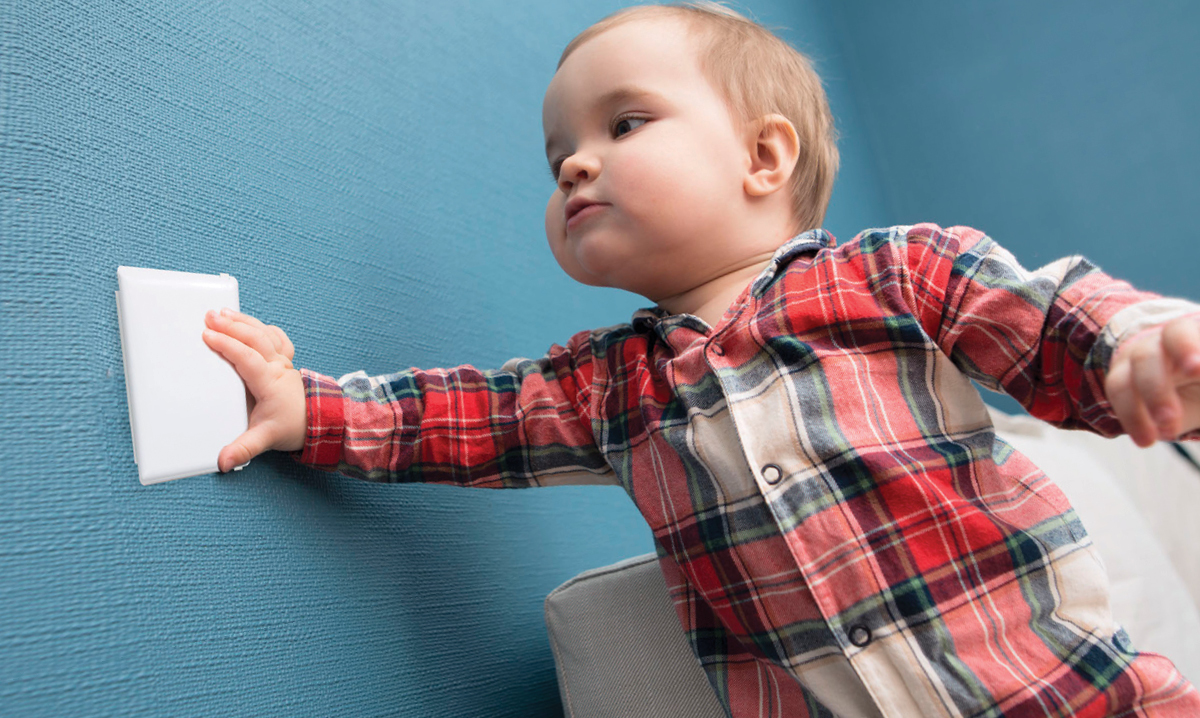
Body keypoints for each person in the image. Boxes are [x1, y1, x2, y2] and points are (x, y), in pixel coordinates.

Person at [199, 2, 1200, 715]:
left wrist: (1142, 348)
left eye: (623, 123)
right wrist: (307, 407)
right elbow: (465, 418)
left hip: (1073, 696)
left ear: (764, 159)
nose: (577, 163)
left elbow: (1051, 312)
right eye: (559, 160)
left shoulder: (896, 272)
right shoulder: (605, 386)